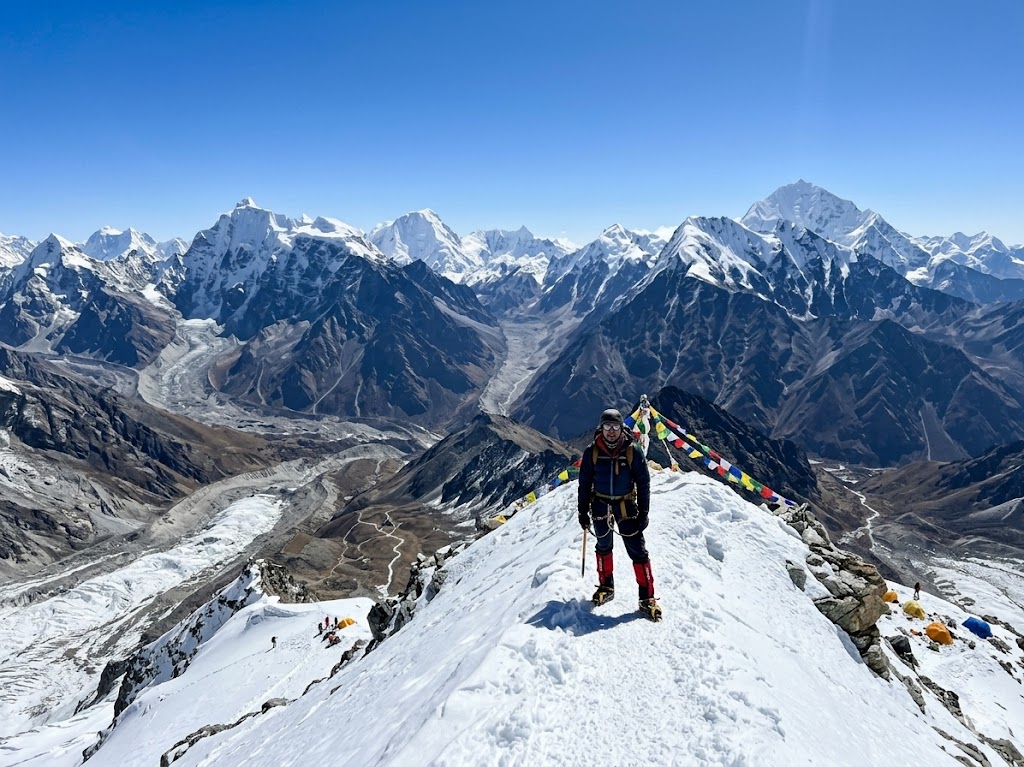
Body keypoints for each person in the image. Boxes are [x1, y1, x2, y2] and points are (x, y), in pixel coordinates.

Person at [578, 407, 661, 621]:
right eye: (607, 427)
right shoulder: (592, 452)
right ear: (601, 428)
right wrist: (582, 510)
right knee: (603, 546)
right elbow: (584, 483)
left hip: (626, 506)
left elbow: (643, 482)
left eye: (615, 426)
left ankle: (647, 597)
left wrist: (644, 511)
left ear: (621, 427)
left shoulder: (632, 450)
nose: (611, 431)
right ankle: (607, 586)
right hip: (600, 505)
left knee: (638, 551)